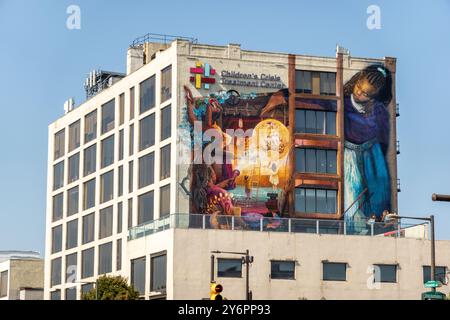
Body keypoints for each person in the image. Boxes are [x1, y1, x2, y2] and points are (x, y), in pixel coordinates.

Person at [343, 65, 392, 232]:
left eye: (365, 94)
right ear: (356, 82)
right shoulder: (343, 103)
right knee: (352, 192)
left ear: (373, 97)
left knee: (379, 188)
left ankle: (379, 224)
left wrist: (378, 158)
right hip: (348, 153)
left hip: (372, 151)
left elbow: (384, 138)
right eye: (358, 87)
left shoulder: (379, 111)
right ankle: (353, 229)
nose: (359, 93)